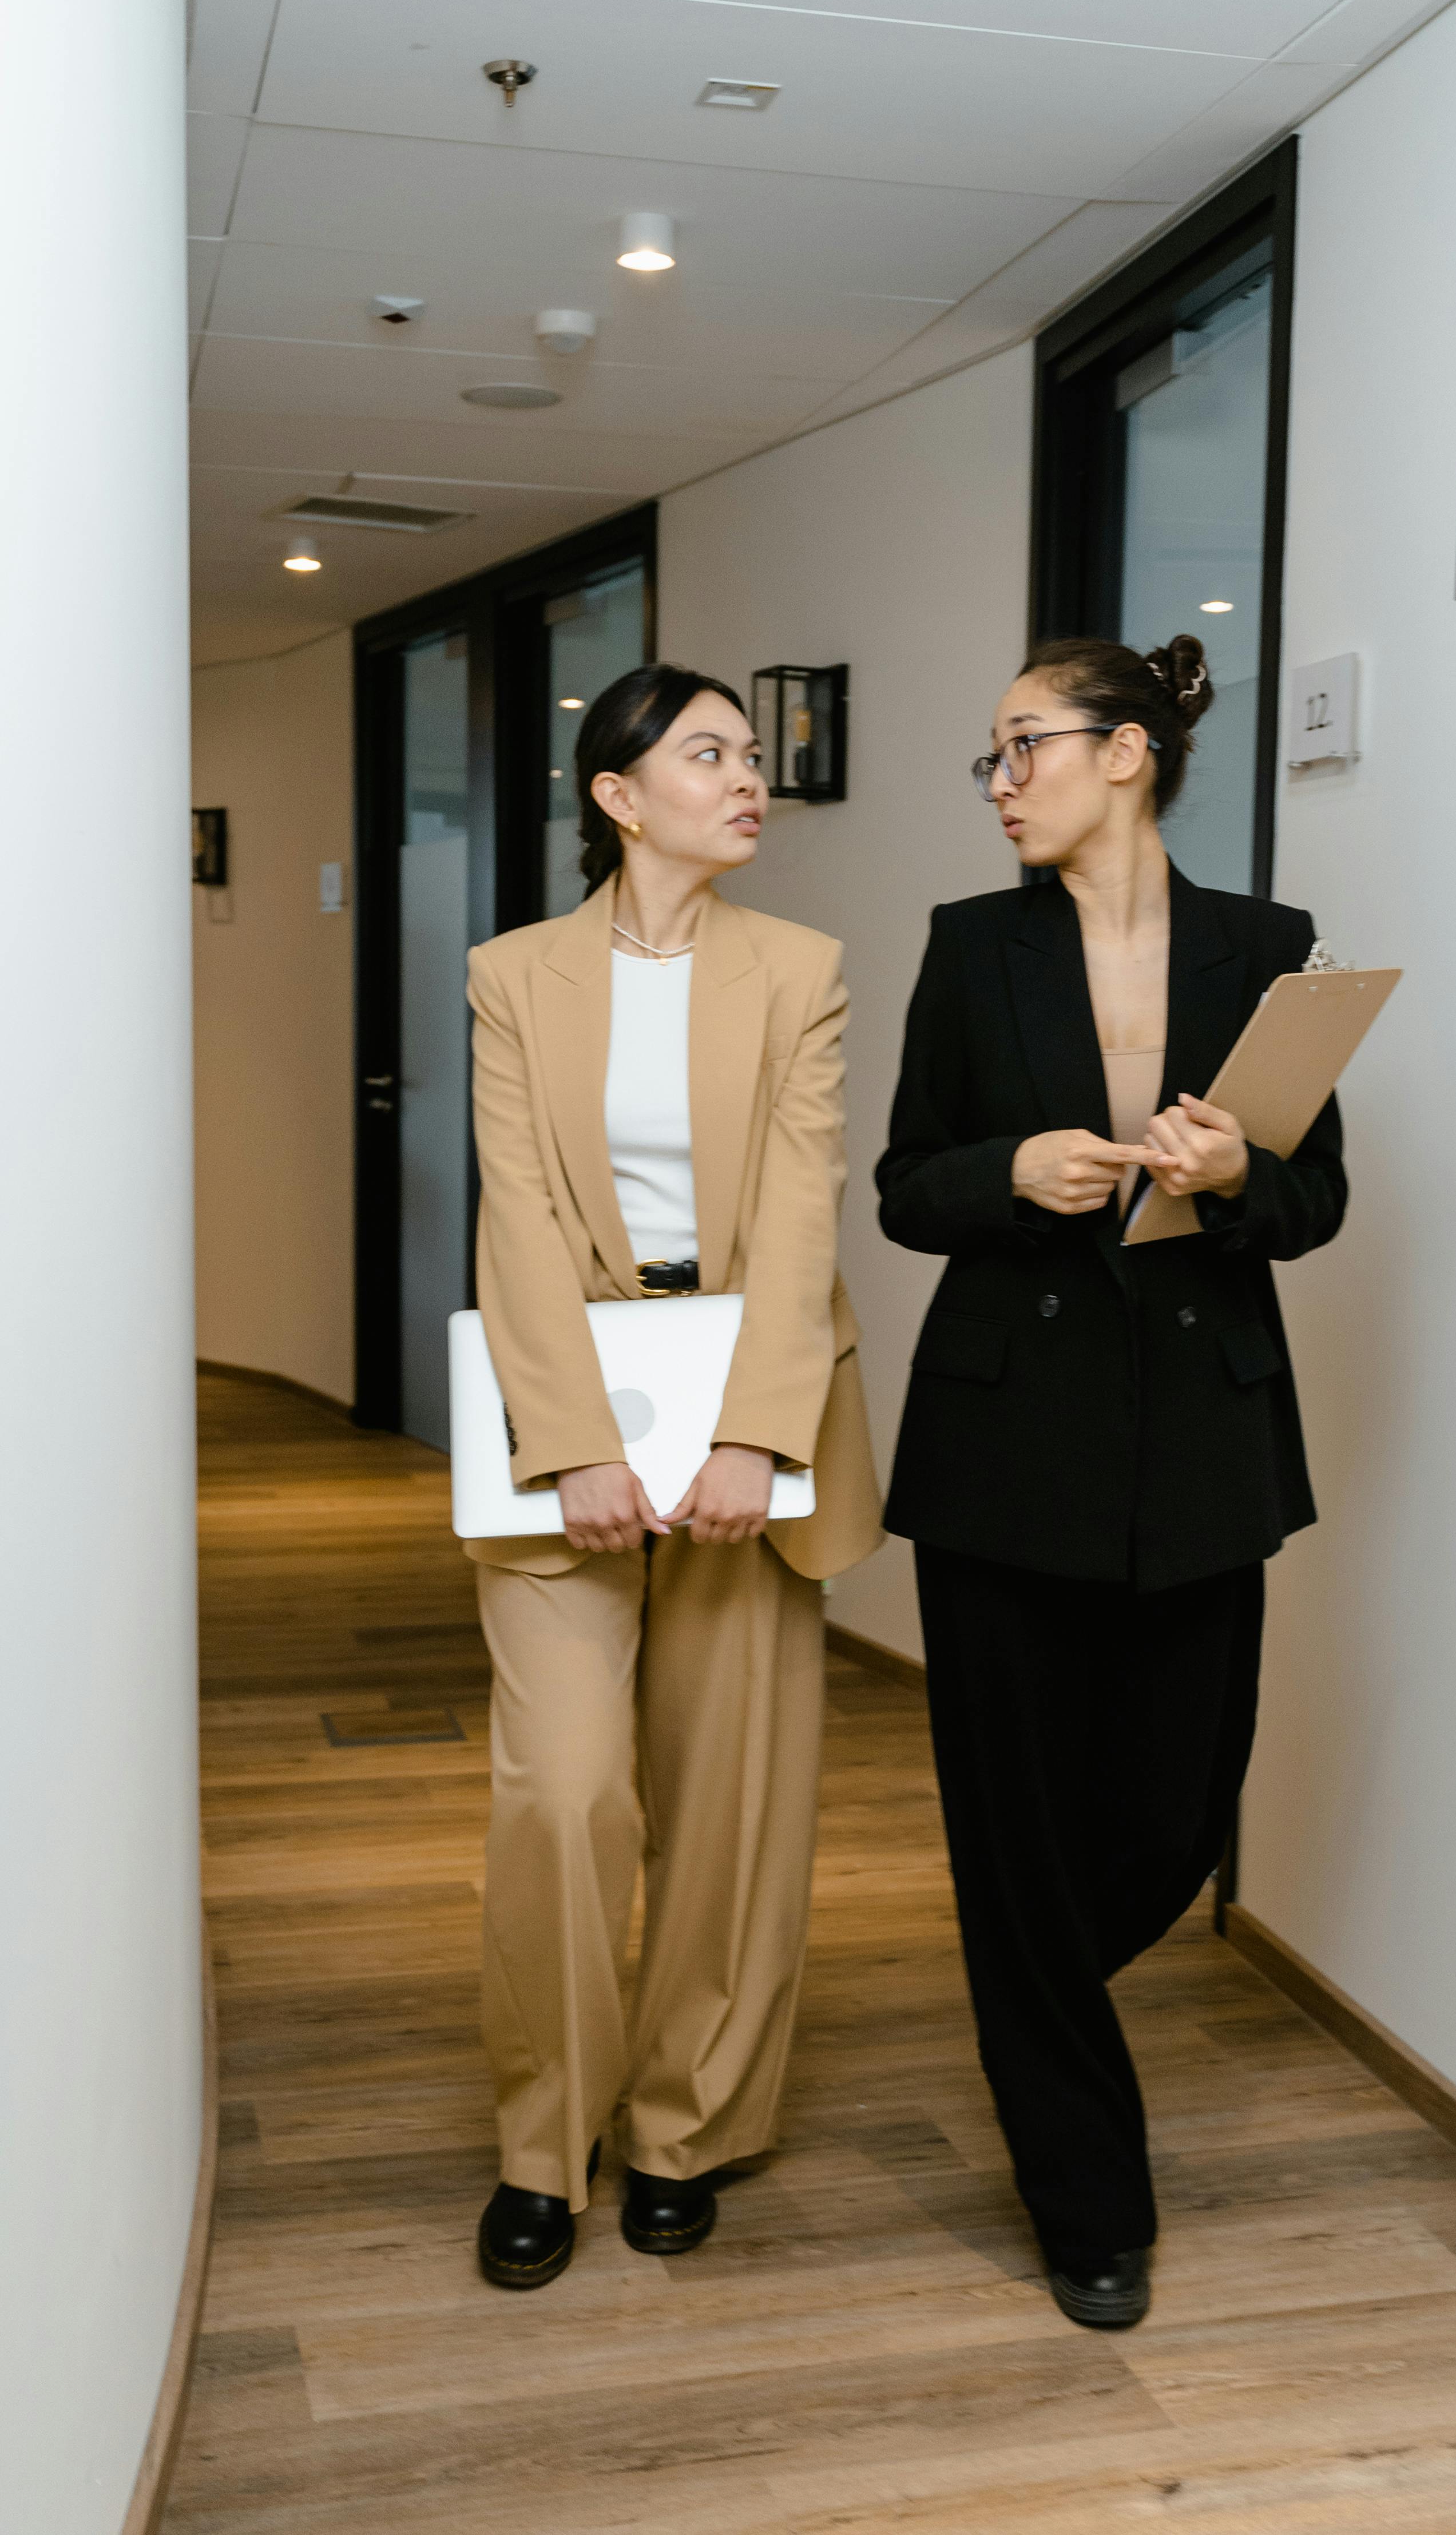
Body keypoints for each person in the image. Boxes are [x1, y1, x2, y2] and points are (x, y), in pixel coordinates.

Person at [876, 634, 1346, 2331]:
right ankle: (1090, 2199)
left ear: (1129, 754)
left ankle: (1034, 1995)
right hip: (1005, 1446)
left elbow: (1316, 1208)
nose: (1002, 780)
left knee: (1165, 1809)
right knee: (1013, 1830)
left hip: (1207, 1445)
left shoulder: (1267, 952)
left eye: (1026, 746)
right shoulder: (968, 946)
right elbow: (908, 1185)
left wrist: (1234, 1181)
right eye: (990, 756)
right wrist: (1008, 1170)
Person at [465, 662, 882, 2289]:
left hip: (750, 1423)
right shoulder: (515, 975)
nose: (748, 778)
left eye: (752, 754)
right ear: (618, 798)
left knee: (731, 1811)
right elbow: (514, 1213)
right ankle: (538, 2144)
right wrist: (571, 1440)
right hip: (574, 1401)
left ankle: (679, 2132)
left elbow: (800, 1204)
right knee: (563, 1795)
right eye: (709, 754)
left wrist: (752, 1433)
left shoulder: (804, 971)